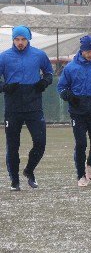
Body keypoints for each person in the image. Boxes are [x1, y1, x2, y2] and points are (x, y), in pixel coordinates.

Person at [0, 26, 54, 191]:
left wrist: (44, 82)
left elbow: (49, 73)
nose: (20, 42)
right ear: (13, 40)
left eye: (23, 39)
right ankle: (14, 181)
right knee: (12, 145)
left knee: (40, 143)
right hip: (13, 106)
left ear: (28, 39)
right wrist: (5, 87)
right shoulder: (4, 57)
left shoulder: (39, 55)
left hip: (33, 105)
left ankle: (29, 171)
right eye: (17, 39)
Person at [57, 35, 91, 187]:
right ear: (82, 50)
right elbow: (61, 87)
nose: (90, 54)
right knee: (81, 143)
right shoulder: (70, 68)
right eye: (87, 51)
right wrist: (69, 96)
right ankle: (80, 174)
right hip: (78, 111)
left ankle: (90, 162)